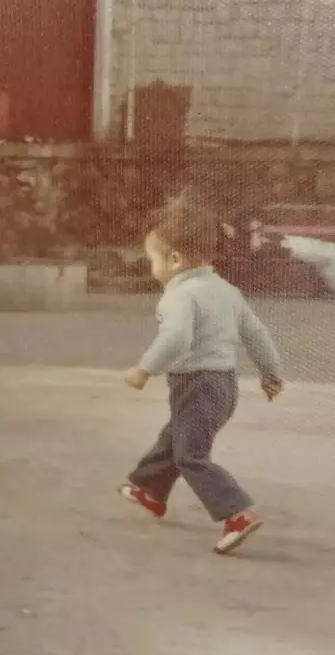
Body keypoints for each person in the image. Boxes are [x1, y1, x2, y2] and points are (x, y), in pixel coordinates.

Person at [118, 207, 284, 555]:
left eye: (152, 259)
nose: (152, 267)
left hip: (196, 385)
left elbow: (176, 338)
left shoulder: (180, 295)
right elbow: (256, 335)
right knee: (175, 436)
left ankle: (237, 513)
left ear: (175, 259)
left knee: (190, 454)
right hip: (224, 386)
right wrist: (270, 372)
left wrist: (144, 369)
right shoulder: (227, 291)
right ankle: (150, 490)